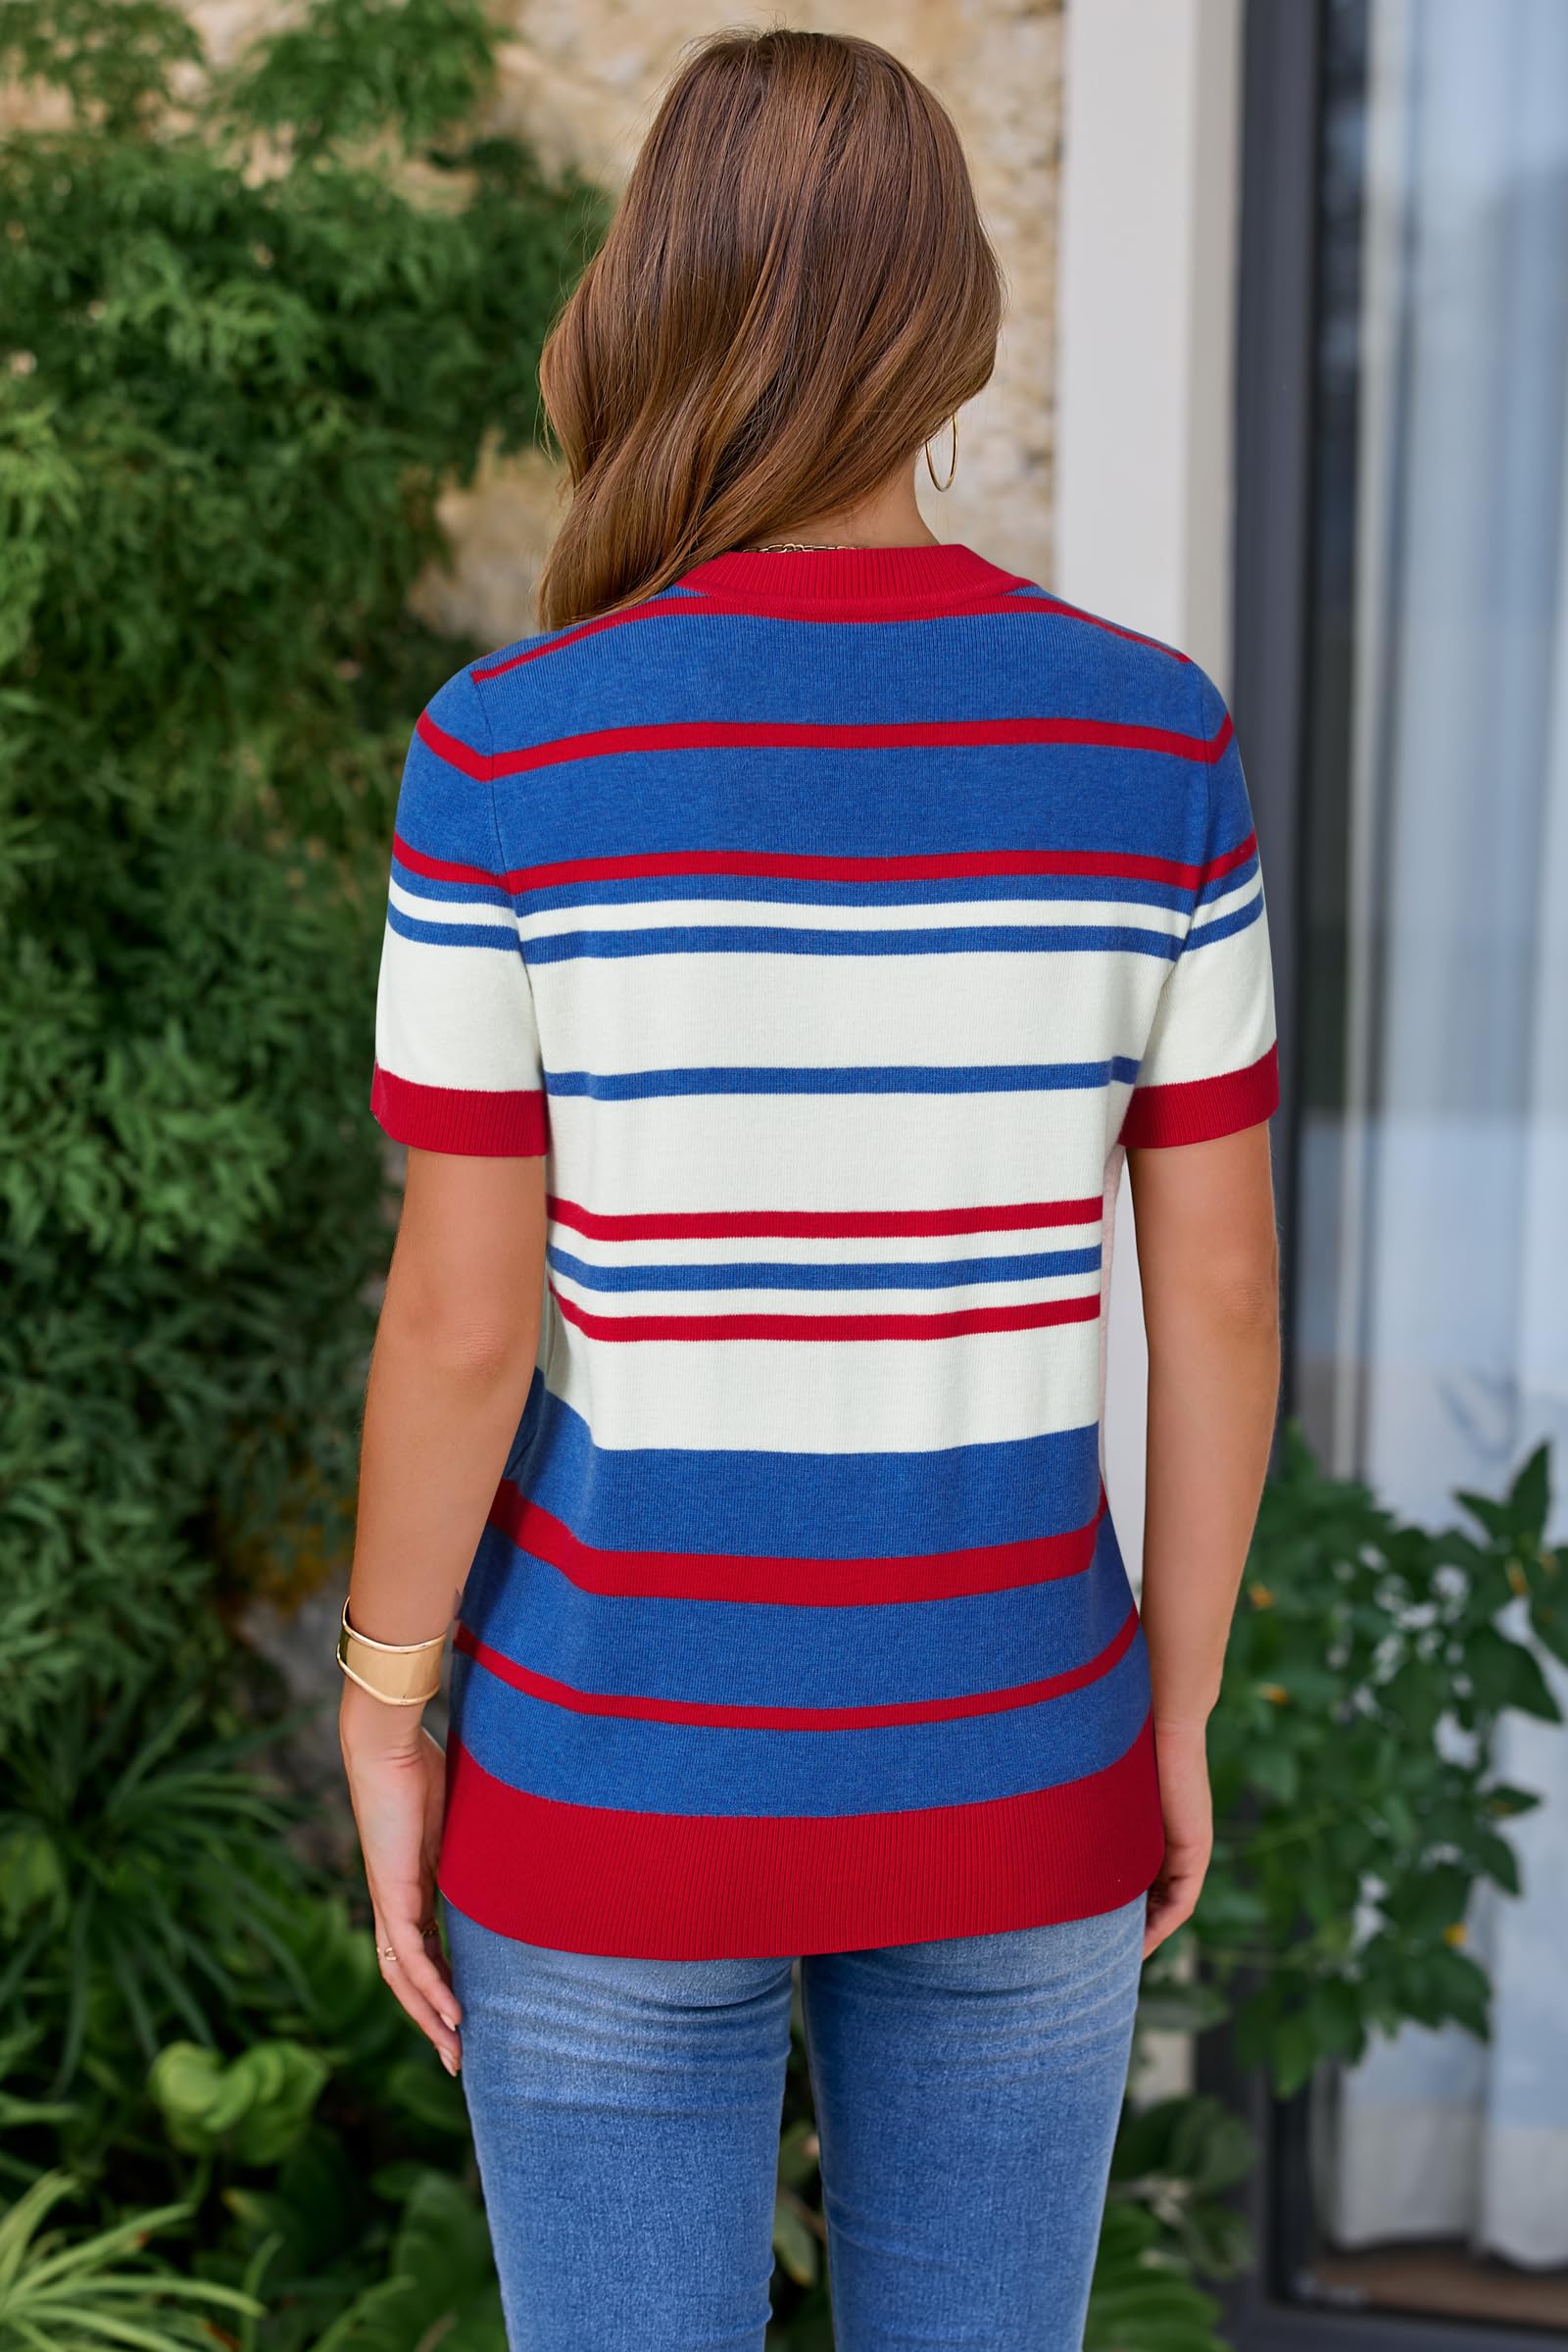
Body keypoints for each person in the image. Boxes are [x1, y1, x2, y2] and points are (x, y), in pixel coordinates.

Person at [336, 26, 1282, 2351]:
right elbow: (1220, 1299)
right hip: (1020, 1743)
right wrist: (1171, 1704)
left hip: (607, 1762)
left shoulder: (505, 760)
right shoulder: (1148, 738)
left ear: (650, 297)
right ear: (951, 321)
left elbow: (459, 1326)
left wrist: (383, 1699)